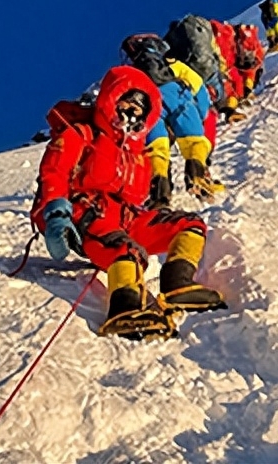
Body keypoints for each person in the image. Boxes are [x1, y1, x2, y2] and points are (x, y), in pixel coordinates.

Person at [33, 65, 225, 339]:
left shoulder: (137, 154)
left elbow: (135, 198)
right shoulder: (81, 134)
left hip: (125, 217)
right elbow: (55, 171)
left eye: (140, 107)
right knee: (127, 250)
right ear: (111, 98)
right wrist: (56, 213)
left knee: (189, 224)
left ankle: (178, 284)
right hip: (86, 215)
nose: (132, 111)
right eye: (127, 101)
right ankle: (125, 309)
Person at [121, 34, 224, 206]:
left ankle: (160, 194)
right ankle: (197, 176)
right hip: (177, 98)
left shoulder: (134, 72)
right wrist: (200, 112)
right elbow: (197, 83)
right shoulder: (170, 63)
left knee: (157, 149)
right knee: (194, 142)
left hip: (149, 104)